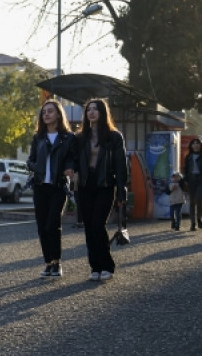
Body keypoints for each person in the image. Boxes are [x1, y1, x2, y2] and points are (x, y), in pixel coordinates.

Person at [75, 98, 128, 282]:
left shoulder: (114, 137)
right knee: (89, 227)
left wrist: (122, 190)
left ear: (102, 112)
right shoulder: (80, 137)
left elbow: (121, 165)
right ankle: (95, 267)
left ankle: (107, 265)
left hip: (105, 185)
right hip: (85, 185)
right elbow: (73, 160)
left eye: (95, 109)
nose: (91, 112)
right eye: (88, 109)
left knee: (98, 224)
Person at [27, 99, 77, 278]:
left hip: (58, 186)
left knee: (52, 224)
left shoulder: (67, 137)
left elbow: (72, 158)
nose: (46, 114)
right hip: (40, 186)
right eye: (44, 112)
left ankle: (57, 262)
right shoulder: (38, 137)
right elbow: (30, 160)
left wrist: (70, 167)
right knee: (42, 226)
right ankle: (48, 263)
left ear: (58, 114)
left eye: (50, 111)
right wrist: (36, 167)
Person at [182, 137, 202, 231]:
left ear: (201, 145)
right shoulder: (189, 156)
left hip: (201, 180)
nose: (196, 145)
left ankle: (199, 218)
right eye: (194, 143)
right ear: (191, 145)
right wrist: (184, 180)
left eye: (197, 143)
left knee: (199, 200)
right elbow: (186, 169)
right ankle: (193, 223)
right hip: (191, 180)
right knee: (192, 202)